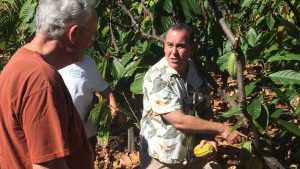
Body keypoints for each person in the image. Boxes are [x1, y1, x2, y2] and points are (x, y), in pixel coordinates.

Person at [0, 0, 97, 168]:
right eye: (91, 35)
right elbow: (48, 165)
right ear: (74, 34)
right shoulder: (42, 79)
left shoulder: (18, 63)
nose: (90, 43)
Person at [139, 23, 246, 169]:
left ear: (191, 49)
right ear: (164, 46)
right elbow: (178, 120)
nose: (173, 52)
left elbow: (205, 109)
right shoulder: (157, 77)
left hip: (191, 153)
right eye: (169, 45)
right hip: (161, 156)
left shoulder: (195, 71)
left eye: (180, 46)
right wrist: (222, 129)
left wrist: (207, 137)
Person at [58, 54, 124, 156]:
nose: (89, 44)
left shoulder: (88, 62)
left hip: (85, 133)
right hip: (57, 133)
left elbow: (103, 88)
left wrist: (114, 108)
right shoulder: (52, 59)